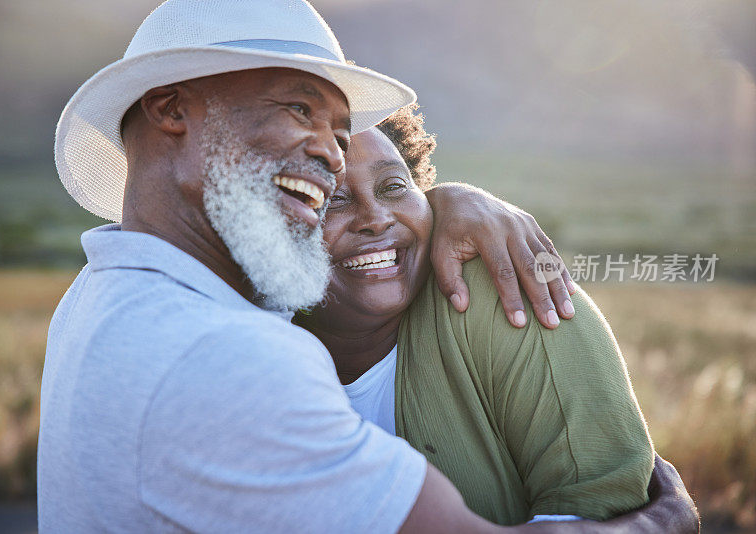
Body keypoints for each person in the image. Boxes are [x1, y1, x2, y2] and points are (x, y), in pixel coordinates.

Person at [39, 1, 609, 532]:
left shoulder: (101, 293)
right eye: (299, 108)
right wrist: (661, 521)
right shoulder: (224, 357)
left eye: (339, 133)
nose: (333, 155)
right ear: (170, 107)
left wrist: (451, 201)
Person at [296, 106, 699, 529]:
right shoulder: (245, 340)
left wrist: (452, 196)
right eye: (334, 198)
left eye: (395, 186)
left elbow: (600, 494)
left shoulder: (498, 294)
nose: (376, 219)